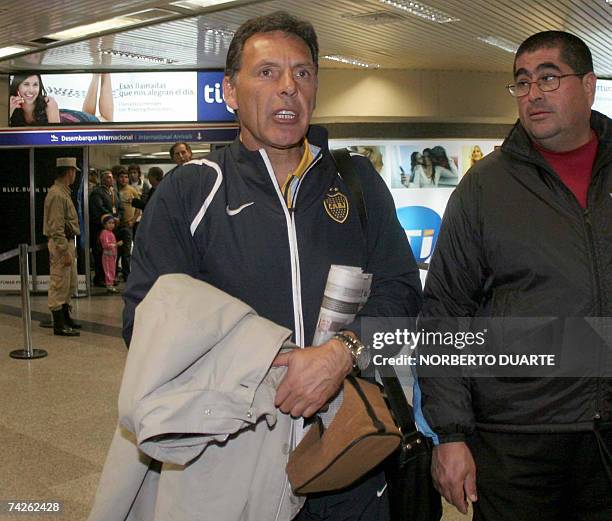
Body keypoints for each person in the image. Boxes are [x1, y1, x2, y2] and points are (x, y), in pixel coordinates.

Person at [124, 11, 422, 520]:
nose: (288, 88)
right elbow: (145, 325)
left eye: (302, 73)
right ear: (231, 92)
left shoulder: (356, 184)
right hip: (233, 460)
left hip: (348, 457)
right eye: (267, 72)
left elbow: (402, 293)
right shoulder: (192, 192)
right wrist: (267, 368)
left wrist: (339, 356)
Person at [416, 31, 612, 521]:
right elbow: (444, 314)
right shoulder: (484, 188)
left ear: (589, 86)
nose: (533, 93)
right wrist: (452, 433)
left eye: (549, 78)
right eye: (522, 82)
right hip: (515, 441)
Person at [43, 157, 82, 336]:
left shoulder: (63, 192)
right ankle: (59, 324)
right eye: (74, 171)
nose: (75, 175)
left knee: (69, 282)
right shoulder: (57, 194)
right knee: (59, 283)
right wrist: (63, 250)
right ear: (69, 172)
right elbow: (56, 226)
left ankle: (66, 317)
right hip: (61, 244)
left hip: (67, 242)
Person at [9, 73, 113, 126]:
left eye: (35, 85)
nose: (31, 90)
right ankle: (96, 75)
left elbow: (56, 137)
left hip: (72, 121)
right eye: (26, 84)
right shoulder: (11, 106)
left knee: (106, 120)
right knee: (88, 115)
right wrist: (9, 110)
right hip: (71, 122)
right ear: (17, 87)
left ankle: (106, 71)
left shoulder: (48, 103)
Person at [89, 170, 123, 287]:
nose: (111, 180)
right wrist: (112, 218)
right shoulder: (97, 192)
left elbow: (120, 207)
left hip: (112, 228)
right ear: (102, 179)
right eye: (108, 178)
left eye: (112, 177)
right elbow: (99, 208)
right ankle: (100, 278)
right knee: (100, 254)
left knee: (111, 256)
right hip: (100, 229)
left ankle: (110, 277)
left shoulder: (114, 192)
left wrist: (118, 217)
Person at [115, 166, 140, 281]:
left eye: (126, 177)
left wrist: (133, 220)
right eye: (121, 177)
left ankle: (126, 274)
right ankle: (114, 274)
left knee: (126, 251)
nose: (124, 179)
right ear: (117, 178)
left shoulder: (132, 190)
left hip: (127, 225)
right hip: (115, 226)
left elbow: (139, 208)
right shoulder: (114, 191)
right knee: (115, 252)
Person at [99, 215, 121, 294]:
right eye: (109, 223)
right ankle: (109, 285)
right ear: (104, 224)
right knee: (108, 270)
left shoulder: (110, 233)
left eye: (113, 223)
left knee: (112, 270)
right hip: (107, 256)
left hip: (111, 256)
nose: (112, 225)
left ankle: (110, 284)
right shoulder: (104, 233)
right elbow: (106, 245)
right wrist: (116, 244)